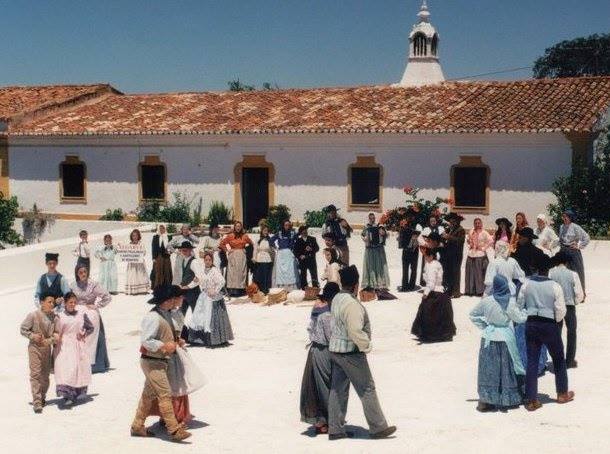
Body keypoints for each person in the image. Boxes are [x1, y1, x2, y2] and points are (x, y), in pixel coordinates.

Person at [327, 265, 396, 440]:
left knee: (337, 390)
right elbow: (355, 331)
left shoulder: (336, 299)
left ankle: (335, 429)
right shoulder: (352, 304)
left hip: (335, 350)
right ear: (356, 285)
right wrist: (366, 346)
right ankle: (378, 427)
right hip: (351, 353)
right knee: (367, 388)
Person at [130, 285, 191, 441]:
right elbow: (146, 340)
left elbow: (166, 335)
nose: (174, 301)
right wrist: (163, 346)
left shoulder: (166, 315)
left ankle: (137, 426)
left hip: (159, 361)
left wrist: (177, 342)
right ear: (165, 300)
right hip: (152, 362)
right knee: (165, 394)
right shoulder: (153, 317)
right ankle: (174, 430)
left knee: (148, 395)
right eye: (171, 299)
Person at [517, 263, 574, 411]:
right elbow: (561, 310)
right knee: (558, 358)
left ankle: (531, 399)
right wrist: (554, 321)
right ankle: (562, 393)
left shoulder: (526, 285)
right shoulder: (555, 286)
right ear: (548, 271)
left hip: (532, 323)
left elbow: (519, 304)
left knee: (532, 360)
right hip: (549, 324)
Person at [469, 275, 526, 412]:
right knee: (507, 368)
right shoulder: (510, 302)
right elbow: (520, 318)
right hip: (506, 338)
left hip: (489, 338)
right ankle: (508, 398)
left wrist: (485, 326)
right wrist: (525, 311)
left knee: (489, 370)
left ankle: (486, 400)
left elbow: (473, 315)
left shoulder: (487, 301)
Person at [299, 282, 340, 435]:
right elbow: (331, 337)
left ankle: (320, 421)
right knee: (326, 388)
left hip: (314, 349)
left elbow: (310, 326)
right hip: (324, 350)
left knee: (315, 387)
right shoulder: (329, 312)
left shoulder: (317, 306)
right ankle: (329, 421)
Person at [149, 286, 193, 427]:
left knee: (177, 383)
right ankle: (172, 416)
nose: (183, 299)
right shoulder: (164, 314)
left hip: (175, 351)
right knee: (171, 384)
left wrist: (179, 340)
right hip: (166, 353)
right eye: (180, 297)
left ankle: (175, 414)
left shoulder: (176, 312)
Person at [53, 292, 94, 408]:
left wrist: (83, 334)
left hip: (77, 345)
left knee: (76, 369)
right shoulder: (60, 315)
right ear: (65, 303)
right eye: (70, 302)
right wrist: (55, 341)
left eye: (75, 302)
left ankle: (74, 394)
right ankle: (67, 395)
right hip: (64, 345)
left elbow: (90, 327)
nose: (73, 304)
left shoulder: (81, 314)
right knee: (65, 370)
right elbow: (55, 330)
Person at [20, 294, 59, 413]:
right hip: (34, 348)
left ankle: (42, 397)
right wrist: (33, 336)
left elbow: (57, 335)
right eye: (49, 302)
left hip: (47, 349)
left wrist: (48, 341)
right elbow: (23, 329)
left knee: (45, 376)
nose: (52, 304)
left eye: (53, 302)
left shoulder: (55, 317)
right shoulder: (33, 315)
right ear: (42, 302)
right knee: (35, 374)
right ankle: (37, 401)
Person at [186, 251, 234, 347]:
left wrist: (215, 291)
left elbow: (222, 281)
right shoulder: (202, 270)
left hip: (212, 297)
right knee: (199, 316)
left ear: (212, 261)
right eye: (206, 260)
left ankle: (215, 339)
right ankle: (198, 339)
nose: (208, 262)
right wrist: (188, 286)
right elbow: (197, 280)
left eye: (209, 260)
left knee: (209, 316)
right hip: (203, 296)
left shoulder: (214, 270)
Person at [71, 265, 112, 373]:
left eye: (85, 272)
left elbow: (107, 297)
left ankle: (96, 366)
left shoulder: (93, 285)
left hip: (91, 314)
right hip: (78, 314)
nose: (83, 274)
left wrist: (96, 306)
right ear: (77, 274)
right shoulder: (73, 285)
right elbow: (69, 298)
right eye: (80, 272)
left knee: (94, 337)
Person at [411, 248, 456, 343]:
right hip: (441, 292)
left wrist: (425, 293)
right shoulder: (437, 263)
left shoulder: (431, 266)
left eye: (426, 256)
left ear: (430, 256)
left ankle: (431, 335)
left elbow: (431, 283)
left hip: (435, 292)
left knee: (428, 313)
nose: (425, 258)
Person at [549, 251, 584, 368]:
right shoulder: (573, 274)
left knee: (556, 333)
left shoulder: (551, 273)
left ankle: (557, 360)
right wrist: (575, 301)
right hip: (569, 306)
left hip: (555, 306)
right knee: (572, 332)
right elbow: (579, 294)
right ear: (566, 262)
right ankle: (569, 360)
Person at [559, 209, 590, 294]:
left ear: (570, 217)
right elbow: (560, 239)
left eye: (566, 217)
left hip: (573, 252)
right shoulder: (561, 227)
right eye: (563, 216)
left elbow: (586, 238)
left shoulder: (575, 227)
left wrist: (579, 246)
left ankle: (581, 293)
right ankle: (567, 293)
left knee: (577, 272)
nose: (564, 218)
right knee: (564, 273)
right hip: (563, 251)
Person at [219, 221, 253, 297]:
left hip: (241, 256)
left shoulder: (245, 236)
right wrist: (228, 249)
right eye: (237, 226)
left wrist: (246, 249)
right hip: (233, 256)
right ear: (234, 227)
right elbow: (222, 244)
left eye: (239, 226)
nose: (238, 228)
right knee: (232, 273)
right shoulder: (230, 236)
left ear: (241, 227)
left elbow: (251, 244)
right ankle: (232, 291)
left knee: (241, 273)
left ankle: (241, 290)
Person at [361, 213, 391, 291]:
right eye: (370, 218)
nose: (372, 219)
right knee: (371, 266)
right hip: (370, 249)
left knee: (380, 266)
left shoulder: (379, 226)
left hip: (379, 248)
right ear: (368, 219)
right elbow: (362, 235)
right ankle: (371, 283)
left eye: (373, 218)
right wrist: (365, 239)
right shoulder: (366, 227)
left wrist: (384, 233)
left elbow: (387, 235)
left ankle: (380, 283)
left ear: (375, 218)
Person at [465, 218, 493, 297]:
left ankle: (479, 290)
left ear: (481, 224)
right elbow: (468, 240)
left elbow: (490, 241)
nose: (477, 225)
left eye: (478, 223)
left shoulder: (484, 233)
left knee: (478, 273)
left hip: (480, 254)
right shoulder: (471, 231)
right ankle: (470, 290)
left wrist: (484, 248)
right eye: (476, 223)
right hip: (471, 253)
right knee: (470, 272)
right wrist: (469, 244)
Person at [270, 220, 300, 291]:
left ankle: (290, 289)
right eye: (286, 225)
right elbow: (271, 240)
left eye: (288, 225)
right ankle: (281, 289)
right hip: (281, 255)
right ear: (283, 225)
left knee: (290, 271)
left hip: (289, 254)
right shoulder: (279, 233)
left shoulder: (292, 233)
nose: (287, 226)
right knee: (281, 272)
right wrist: (275, 247)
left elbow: (298, 241)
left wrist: (294, 248)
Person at [442, 213, 466, 298]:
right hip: (448, 254)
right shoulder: (449, 229)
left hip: (456, 254)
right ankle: (449, 290)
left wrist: (448, 237)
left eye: (453, 221)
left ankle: (456, 292)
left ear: (457, 221)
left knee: (455, 273)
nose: (451, 222)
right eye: (450, 221)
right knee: (449, 272)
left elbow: (460, 241)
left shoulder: (461, 230)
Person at [398, 210, 422, 292]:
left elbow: (420, 237)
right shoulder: (404, 227)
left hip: (414, 250)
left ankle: (411, 285)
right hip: (405, 250)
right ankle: (405, 285)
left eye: (411, 216)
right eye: (408, 216)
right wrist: (400, 239)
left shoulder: (418, 226)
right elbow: (400, 238)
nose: (410, 218)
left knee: (414, 268)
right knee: (405, 268)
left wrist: (416, 239)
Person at [418, 216, 445, 286]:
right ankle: (427, 282)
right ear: (429, 222)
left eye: (434, 221)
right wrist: (426, 244)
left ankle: (437, 282)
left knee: (437, 266)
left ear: (436, 221)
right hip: (429, 251)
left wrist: (441, 243)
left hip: (438, 251)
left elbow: (444, 239)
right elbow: (419, 238)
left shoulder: (440, 229)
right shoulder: (426, 229)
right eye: (431, 221)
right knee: (428, 266)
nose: (433, 222)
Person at [175, 241, 200, 316]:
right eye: (182, 250)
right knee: (181, 313)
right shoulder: (183, 260)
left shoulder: (194, 262)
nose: (183, 252)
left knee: (196, 314)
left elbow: (199, 277)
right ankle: (180, 327)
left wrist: (189, 286)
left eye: (185, 250)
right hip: (183, 292)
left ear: (190, 250)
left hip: (193, 292)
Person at [125, 229, 150, 295]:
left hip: (140, 262)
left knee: (140, 274)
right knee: (133, 275)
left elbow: (144, 252)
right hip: (132, 263)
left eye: (136, 235)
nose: (135, 237)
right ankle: (133, 290)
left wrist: (139, 253)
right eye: (133, 235)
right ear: (131, 236)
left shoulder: (141, 244)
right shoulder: (129, 244)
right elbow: (126, 253)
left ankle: (142, 290)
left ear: (138, 236)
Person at [294, 225, 320, 289]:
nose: (304, 233)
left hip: (311, 260)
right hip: (303, 261)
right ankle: (304, 289)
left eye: (305, 231)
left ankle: (315, 289)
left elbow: (317, 248)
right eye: (303, 232)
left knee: (314, 275)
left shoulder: (312, 239)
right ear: (300, 233)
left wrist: (311, 249)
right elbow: (295, 251)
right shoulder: (298, 241)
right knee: (303, 275)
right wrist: (300, 256)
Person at [253, 224, 274, 294]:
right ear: (261, 231)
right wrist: (254, 258)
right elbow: (255, 250)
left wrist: (273, 258)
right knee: (260, 275)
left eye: (267, 231)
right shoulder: (258, 240)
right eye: (264, 230)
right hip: (259, 259)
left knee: (267, 275)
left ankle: (266, 289)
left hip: (267, 259)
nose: (266, 232)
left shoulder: (270, 240)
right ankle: (260, 289)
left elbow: (272, 251)